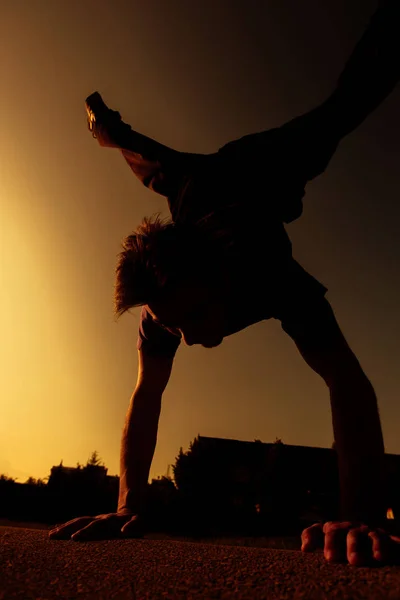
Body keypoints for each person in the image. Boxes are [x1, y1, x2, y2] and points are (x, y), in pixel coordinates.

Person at [50, 0, 399, 566]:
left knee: (342, 109)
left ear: (220, 278)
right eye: (174, 324)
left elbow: (349, 382)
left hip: (259, 171)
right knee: (146, 157)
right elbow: (147, 394)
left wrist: (359, 514)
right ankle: (108, 128)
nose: (186, 338)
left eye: (193, 318)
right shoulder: (165, 310)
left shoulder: (271, 276)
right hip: (189, 186)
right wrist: (126, 503)